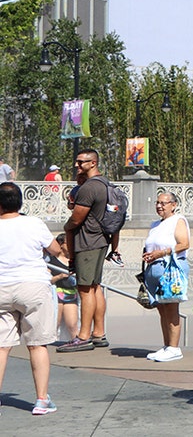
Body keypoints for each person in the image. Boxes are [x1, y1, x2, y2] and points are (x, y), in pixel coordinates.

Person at [0, 182, 59, 414]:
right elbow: (55, 250)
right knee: (37, 344)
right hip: (33, 286)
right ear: (21, 202)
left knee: (2, 347)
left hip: (2, 287)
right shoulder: (34, 223)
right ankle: (41, 400)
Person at [58, 149, 110, 352]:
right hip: (99, 241)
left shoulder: (89, 188)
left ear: (93, 163)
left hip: (87, 241)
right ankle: (99, 333)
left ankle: (83, 336)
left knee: (85, 288)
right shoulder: (105, 183)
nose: (77, 166)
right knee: (95, 286)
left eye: (81, 162)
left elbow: (77, 218)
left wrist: (67, 227)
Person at [141, 192, 190, 362]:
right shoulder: (155, 224)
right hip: (155, 268)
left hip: (170, 269)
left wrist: (162, 252)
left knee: (171, 308)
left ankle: (174, 347)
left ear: (173, 204)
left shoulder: (178, 221)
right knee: (162, 309)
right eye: (157, 202)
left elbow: (184, 244)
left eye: (164, 203)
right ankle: (167, 345)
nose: (159, 206)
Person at [46, 234, 79, 342]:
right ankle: (50, 343)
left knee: (73, 324)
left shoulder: (74, 260)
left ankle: (76, 341)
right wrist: (59, 276)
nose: (71, 246)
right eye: (68, 243)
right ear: (60, 244)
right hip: (57, 292)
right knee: (56, 322)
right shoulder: (51, 261)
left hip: (71, 293)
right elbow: (47, 279)